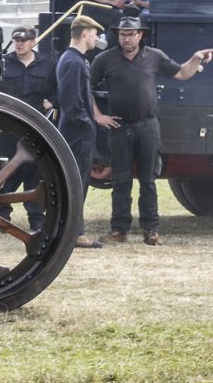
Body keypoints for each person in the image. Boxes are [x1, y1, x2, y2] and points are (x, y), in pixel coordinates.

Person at [90, 16, 213, 246]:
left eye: (131, 34)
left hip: (148, 126)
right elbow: (86, 86)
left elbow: (182, 73)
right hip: (119, 126)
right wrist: (98, 115)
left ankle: (151, 231)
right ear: (118, 36)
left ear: (140, 35)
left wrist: (196, 58)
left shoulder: (154, 57)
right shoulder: (105, 59)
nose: (127, 38)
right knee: (121, 180)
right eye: (123, 34)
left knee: (148, 180)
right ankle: (119, 230)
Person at [0, 26, 57, 231]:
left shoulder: (48, 65)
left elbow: (58, 90)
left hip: (34, 129)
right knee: (5, 173)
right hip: (8, 128)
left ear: (33, 42)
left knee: (35, 173)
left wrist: (52, 102)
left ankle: (36, 219)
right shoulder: (3, 63)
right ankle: (1, 217)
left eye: (24, 40)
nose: (20, 44)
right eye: (17, 40)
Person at [55, 15, 107, 248]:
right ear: (85, 33)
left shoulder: (74, 59)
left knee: (76, 182)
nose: (97, 37)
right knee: (77, 183)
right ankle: (75, 233)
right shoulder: (74, 62)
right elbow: (72, 101)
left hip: (77, 131)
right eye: (95, 33)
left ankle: (71, 230)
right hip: (77, 133)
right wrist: (87, 123)